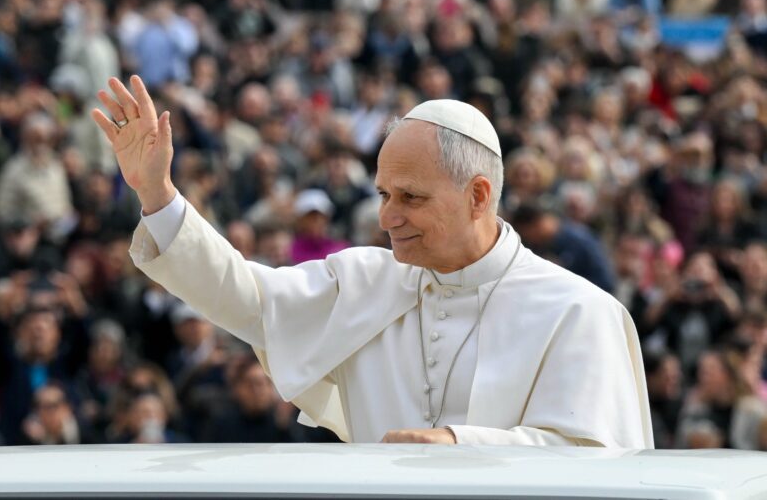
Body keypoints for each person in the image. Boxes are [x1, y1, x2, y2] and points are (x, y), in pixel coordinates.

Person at [92, 76, 653, 447]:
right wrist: (158, 195)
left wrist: (463, 444)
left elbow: (596, 465)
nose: (387, 217)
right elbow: (247, 299)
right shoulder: (364, 281)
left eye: (411, 198)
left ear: (478, 196)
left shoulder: (578, 311)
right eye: (384, 195)